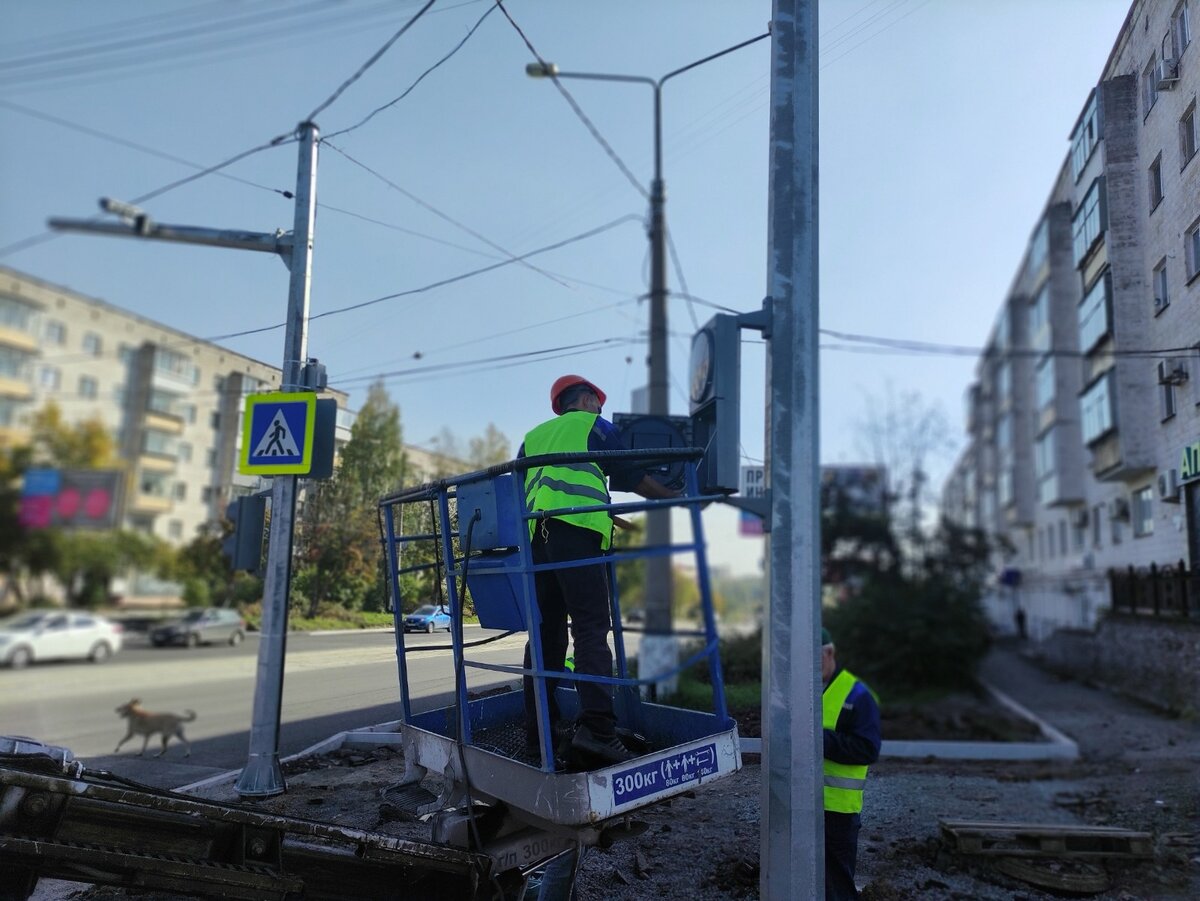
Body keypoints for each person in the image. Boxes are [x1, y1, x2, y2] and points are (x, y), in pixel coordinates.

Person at [520, 374, 679, 764]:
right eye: (598, 402)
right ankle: (598, 730)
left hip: (538, 540)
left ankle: (539, 732)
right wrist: (672, 496)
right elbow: (630, 476)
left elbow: (536, 488)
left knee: (545, 634)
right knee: (590, 627)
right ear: (588, 399)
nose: (600, 408)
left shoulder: (533, 437)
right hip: (578, 533)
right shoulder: (595, 426)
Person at [822, 626, 881, 901]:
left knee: (836, 886)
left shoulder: (857, 695)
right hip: (797, 804)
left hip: (838, 812)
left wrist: (820, 741)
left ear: (829, 653)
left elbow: (867, 749)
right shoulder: (797, 690)